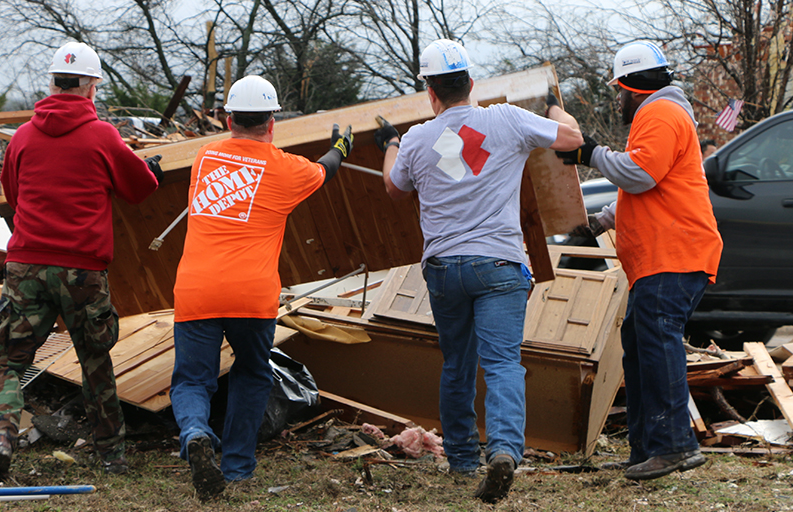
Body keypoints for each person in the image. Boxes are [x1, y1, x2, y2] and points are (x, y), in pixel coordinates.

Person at [376, 39, 583, 503]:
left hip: (446, 268)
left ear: (430, 91)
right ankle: (505, 450)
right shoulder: (505, 119)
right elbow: (571, 140)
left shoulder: (417, 139)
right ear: (471, 83)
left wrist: (390, 143)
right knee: (503, 362)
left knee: (457, 365)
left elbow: (393, 189)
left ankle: (464, 459)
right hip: (500, 264)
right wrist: (553, 109)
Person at [0, 42, 161, 482]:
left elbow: (14, 196)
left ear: (52, 82)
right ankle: (112, 455)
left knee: (7, 361)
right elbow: (140, 189)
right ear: (92, 86)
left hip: (26, 265)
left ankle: (0, 437)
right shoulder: (103, 136)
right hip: (82, 269)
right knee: (94, 359)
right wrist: (148, 167)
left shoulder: (21, 136)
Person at [170, 74, 354, 501]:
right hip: (252, 295)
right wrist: (339, 148)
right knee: (252, 374)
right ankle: (236, 468)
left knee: (193, 381)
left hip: (197, 290)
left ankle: (196, 432)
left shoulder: (203, 158)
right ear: (273, 123)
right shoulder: (287, 169)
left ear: (228, 117)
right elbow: (325, 171)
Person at [556, 41, 723, 480]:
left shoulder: (660, 113)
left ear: (632, 86)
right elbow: (650, 187)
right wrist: (601, 221)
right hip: (666, 256)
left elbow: (640, 173)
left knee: (657, 342)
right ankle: (647, 448)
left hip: (674, 254)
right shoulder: (663, 114)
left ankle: (674, 447)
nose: (617, 99)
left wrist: (589, 152)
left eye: (619, 90)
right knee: (641, 344)